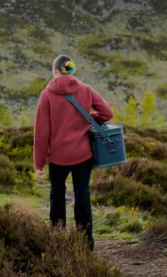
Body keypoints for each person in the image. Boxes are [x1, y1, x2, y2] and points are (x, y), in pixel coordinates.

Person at [33, 55, 114, 249]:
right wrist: (91, 116)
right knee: (82, 194)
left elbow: (42, 133)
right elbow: (108, 113)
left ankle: (58, 239)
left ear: (55, 71)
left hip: (57, 158)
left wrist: (39, 163)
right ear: (71, 70)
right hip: (83, 155)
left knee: (57, 194)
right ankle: (85, 242)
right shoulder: (86, 89)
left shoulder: (47, 95)